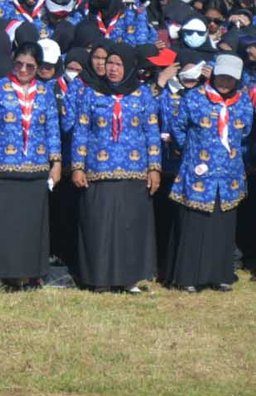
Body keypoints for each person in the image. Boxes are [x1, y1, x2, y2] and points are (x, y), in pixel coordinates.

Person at [69, 43, 162, 292]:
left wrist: (155, 168)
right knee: (99, 226)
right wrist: (77, 166)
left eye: (119, 64)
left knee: (130, 225)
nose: (112, 68)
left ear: (130, 66)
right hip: (98, 170)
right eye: (109, 62)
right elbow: (81, 132)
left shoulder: (143, 95)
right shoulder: (91, 93)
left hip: (134, 169)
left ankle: (129, 279)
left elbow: (152, 132)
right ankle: (99, 279)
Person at [0, 43, 62, 289]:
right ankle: (4, 274)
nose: (23, 70)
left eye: (30, 66)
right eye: (19, 64)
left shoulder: (45, 92)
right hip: (4, 166)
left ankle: (32, 273)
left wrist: (56, 163)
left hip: (35, 168)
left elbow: (52, 129)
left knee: (31, 225)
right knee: (5, 224)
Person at [163, 54, 250, 292]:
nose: (225, 83)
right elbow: (178, 128)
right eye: (221, 77)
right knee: (194, 224)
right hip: (198, 172)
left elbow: (245, 133)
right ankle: (188, 277)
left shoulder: (242, 102)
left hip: (228, 174)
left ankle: (219, 274)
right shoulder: (195, 98)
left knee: (222, 225)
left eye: (230, 79)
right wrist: (193, 150)